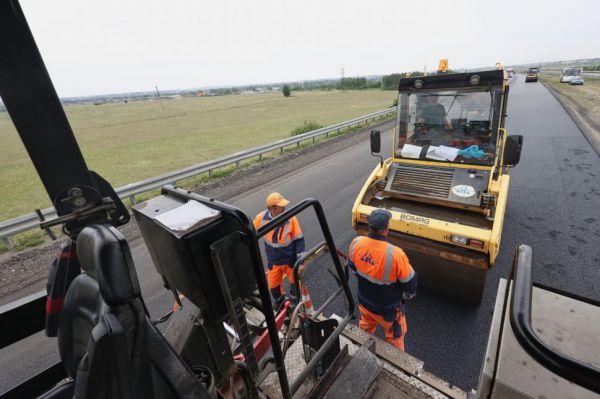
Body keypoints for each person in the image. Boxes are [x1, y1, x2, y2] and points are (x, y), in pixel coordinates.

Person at [348, 209, 417, 351]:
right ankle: (396, 365)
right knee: (395, 337)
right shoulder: (396, 254)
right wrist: (406, 296)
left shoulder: (356, 243)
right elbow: (410, 285)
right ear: (386, 229)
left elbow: (353, 269)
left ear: (369, 227)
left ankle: (361, 350)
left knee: (365, 328)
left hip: (365, 303)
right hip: (388, 311)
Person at [253, 192, 305, 307]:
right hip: (273, 262)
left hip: (290, 261)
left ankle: (295, 304)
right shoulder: (261, 218)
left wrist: (301, 262)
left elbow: (299, 240)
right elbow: (250, 231)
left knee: (295, 285)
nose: (284, 208)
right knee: (273, 287)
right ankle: (281, 303)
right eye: (281, 206)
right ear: (272, 208)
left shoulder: (291, 218)